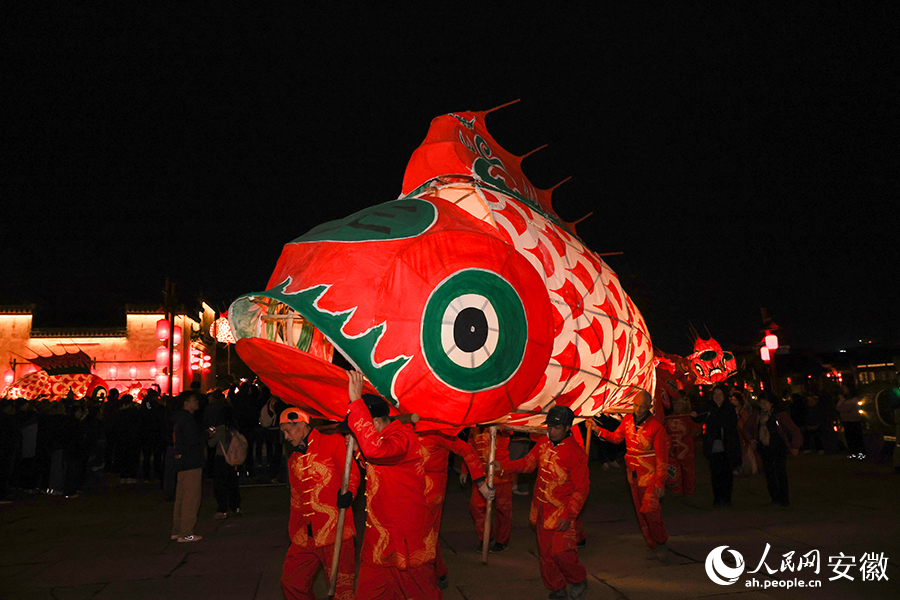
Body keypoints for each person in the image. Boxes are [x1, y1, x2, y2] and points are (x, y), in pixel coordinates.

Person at [346, 370, 440, 600]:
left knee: (422, 595)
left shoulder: (402, 436)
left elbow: (378, 452)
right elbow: (378, 465)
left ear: (376, 422)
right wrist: (358, 450)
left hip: (405, 541)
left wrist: (357, 401)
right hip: (378, 542)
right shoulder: (386, 438)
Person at [496, 405, 589, 600]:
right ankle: (558, 589)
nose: (551, 431)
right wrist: (504, 465)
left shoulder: (575, 453)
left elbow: (582, 488)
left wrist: (569, 515)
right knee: (546, 554)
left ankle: (578, 578)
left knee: (562, 552)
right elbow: (528, 463)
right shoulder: (543, 443)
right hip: (540, 509)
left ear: (566, 428)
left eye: (556, 428)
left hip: (561, 511)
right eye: (550, 427)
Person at [280, 407, 358, 600]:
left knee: (342, 590)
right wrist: (294, 532)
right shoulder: (293, 460)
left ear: (302, 425)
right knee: (291, 582)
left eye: (287, 430)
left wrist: (349, 493)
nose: (286, 437)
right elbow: (296, 499)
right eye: (283, 432)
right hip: (304, 536)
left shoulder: (332, 442)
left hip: (335, 531)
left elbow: (352, 475)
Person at [595, 390, 670, 554]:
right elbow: (616, 438)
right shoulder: (627, 421)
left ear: (649, 406)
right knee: (639, 510)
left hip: (651, 474)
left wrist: (660, 482)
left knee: (650, 508)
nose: (638, 409)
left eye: (642, 406)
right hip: (633, 472)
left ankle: (661, 538)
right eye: (635, 405)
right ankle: (651, 543)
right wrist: (597, 429)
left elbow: (663, 458)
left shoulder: (656, 427)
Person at [418, 428, 492, 589]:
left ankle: (430, 574)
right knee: (419, 532)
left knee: (426, 531)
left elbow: (468, 451)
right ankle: (437, 571)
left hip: (432, 490)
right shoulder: (406, 427)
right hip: (409, 487)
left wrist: (481, 484)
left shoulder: (441, 432)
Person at [744, 393, 801, 506]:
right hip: (764, 447)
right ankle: (774, 497)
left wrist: (795, 446)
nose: (763, 405)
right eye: (761, 403)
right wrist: (751, 439)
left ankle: (784, 498)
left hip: (778, 446)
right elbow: (747, 427)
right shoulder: (758, 415)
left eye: (765, 403)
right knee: (769, 472)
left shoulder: (779, 415)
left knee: (780, 472)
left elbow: (793, 429)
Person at [464, 425, 513, 552]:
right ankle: (486, 537)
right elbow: (469, 449)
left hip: (501, 473)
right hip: (480, 475)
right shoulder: (474, 426)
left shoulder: (501, 422)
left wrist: (499, 426)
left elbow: (509, 429)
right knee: (476, 506)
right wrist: (464, 470)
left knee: (503, 509)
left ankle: (502, 541)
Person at [171, 392, 212, 542]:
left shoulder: (179, 418)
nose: (197, 402)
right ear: (186, 403)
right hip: (191, 462)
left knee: (181, 498)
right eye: (194, 400)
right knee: (191, 498)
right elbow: (193, 439)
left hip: (183, 463)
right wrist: (207, 434)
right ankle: (186, 532)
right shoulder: (187, 419)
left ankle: (178, 530)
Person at [692, 385, 742, 507]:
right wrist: (694, 414)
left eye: (719, 394)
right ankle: (717, 498)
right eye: (715, 394)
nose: (717, 397)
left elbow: (730, 425)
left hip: (727, 444)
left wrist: (714, 418)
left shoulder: (729, 409)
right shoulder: (709, 407)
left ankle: (726, 498)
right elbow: (698, 416)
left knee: (727, 472)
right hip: (713, 444)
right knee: (715, 472)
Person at [208, 406, 242, 519]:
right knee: (233, 484)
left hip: (221, 458)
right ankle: (235, 507)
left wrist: (210, 433)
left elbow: (211, 444)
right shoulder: (235, 429)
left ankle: (222, 509)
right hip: (233, 459)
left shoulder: (221, 429)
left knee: (220, 485)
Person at [663, 393, 698, 495]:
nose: (677, 407)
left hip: (686, 450)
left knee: (688, 471)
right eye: (675, 405)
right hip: (672, 450)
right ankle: (676, 489)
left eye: (679, 404)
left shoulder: (688, 417)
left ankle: (689, 490)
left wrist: (696, 431)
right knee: (674, 470)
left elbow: (696, 427)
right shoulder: (668, 418)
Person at [836, 383, 865, 459]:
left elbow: (847, 408)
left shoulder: (854, 399)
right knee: (849, 438)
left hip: (854, 421)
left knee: (856, 438)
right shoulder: (844, 399)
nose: (844, 390)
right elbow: (838, 407)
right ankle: (853, 453)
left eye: (845, 388)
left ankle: (859, 453)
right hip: (847, 421)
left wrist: (843, 407)